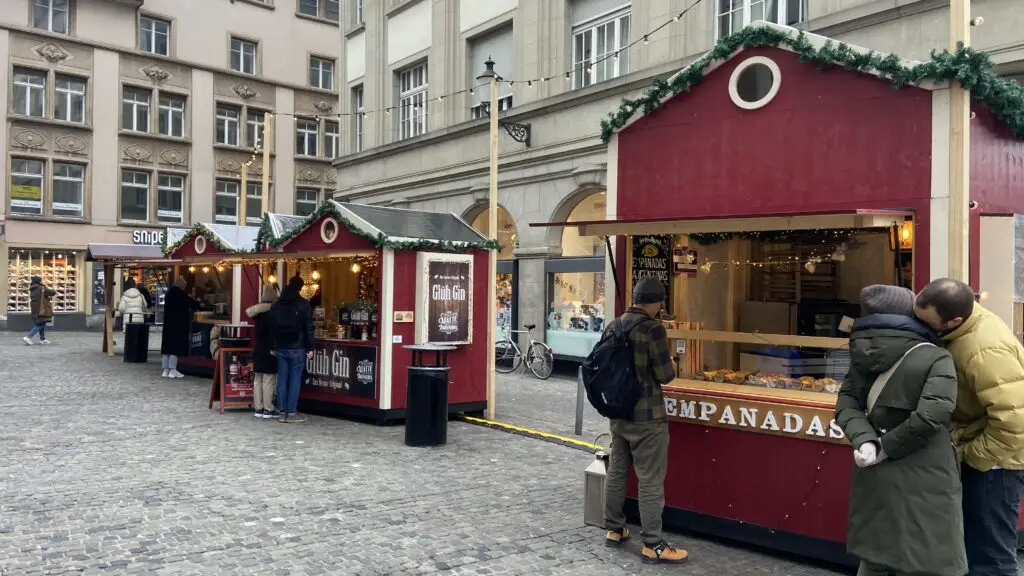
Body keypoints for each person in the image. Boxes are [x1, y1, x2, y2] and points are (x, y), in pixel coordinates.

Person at [835, 285, 966, 576]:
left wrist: (866, 441)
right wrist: (886, 448)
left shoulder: (861, 356)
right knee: (928, 559)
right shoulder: (935, 357)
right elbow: (933, 415)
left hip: (874, 475)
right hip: (927, 473)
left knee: (875, 557)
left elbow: (846, 404)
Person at [915, 278, 1024, 576]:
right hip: (983, 452)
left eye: (929, 325)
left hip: (996, 466)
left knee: (990, 556)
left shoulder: (984, 349)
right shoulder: (962, 329)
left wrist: (971, 457)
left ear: (955, 321)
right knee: (974, 546)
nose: (923, 329)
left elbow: (1016, 422)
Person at [603, 277, 688, 565]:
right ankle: (653, 543)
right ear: (656, 302)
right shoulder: (653, 329)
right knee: (650, 479)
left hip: (618, 413)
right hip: (648, 417)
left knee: (617, 471)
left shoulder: (614, 325)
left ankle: (614, 529)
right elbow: (666, 375)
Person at [271, 275, 314, 423]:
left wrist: (273, 344)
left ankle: (281, 411)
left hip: (281, 346)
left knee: (282, 378)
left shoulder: (276, 304)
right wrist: (310, 347)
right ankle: (291, 412)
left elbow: (272, 326)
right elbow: (308, 329)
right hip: (298, 346)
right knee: (295, 379)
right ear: (301, 288)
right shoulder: (304, 304)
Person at [247, 283, 279, 419]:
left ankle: (258, 408)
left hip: (258, 350)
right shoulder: (273, 314)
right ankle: (268, 409)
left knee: (257, 379)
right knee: (268, 380)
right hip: (269, 350)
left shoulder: (257, 315)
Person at [161, 277, 199, 378]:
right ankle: (173, 370)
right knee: (175, 347)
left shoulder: (168, 294)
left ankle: (165, 370)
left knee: (167, 347)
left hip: (168, 323)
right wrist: (198, 301)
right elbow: (193, 304)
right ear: (182, 286)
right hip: (178, 324)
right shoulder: (181, 294)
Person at [23, 276, 55, 345]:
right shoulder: (41, 288)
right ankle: (28, 337)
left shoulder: (32, 288)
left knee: (41, 323)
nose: (42, 281)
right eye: (41, 281)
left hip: (35, 309)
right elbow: (53, 292)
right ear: (38, 281)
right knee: (40, 324)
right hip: (42, 309)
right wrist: (45, 286)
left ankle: (42, 339)